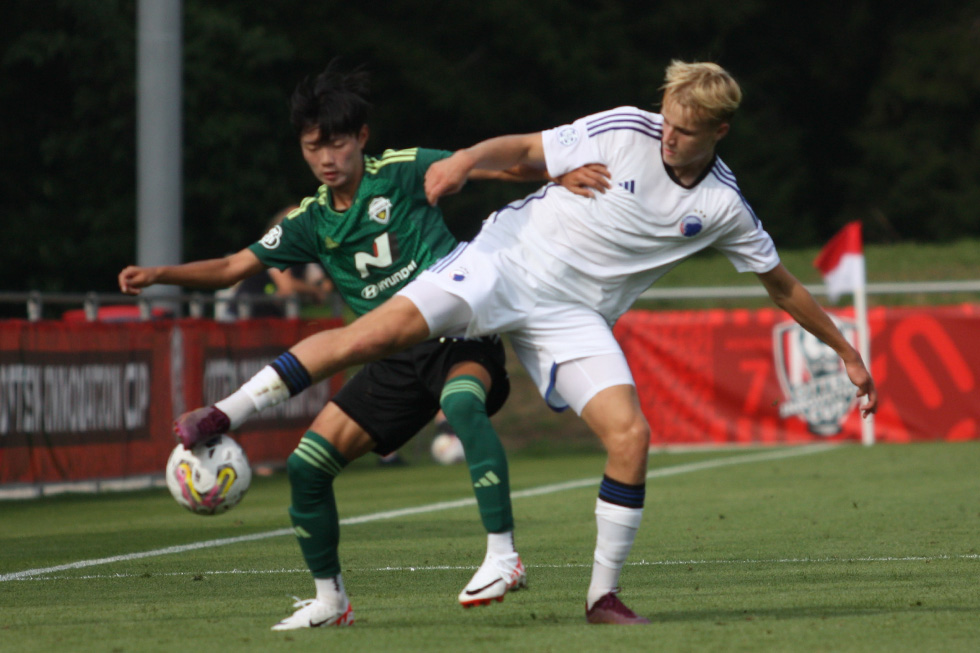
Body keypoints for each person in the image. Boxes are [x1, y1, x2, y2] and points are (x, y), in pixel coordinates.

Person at [174, 60, 878, 625]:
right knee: (374, 332)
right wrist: (465, 161)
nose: (667, 135)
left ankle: (601, 598)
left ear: (719, 131)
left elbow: (781, 285)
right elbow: (525, 149)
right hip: (503, 262)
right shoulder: (624, 127)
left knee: (631, 436)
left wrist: (846, 350)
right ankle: (223, 414)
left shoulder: (723, 205)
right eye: (666, 120)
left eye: (685, 130)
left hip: (571, 315)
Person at [118, 59, 607, 629]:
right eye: (312, 148)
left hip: (456, 333)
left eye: (337, 144)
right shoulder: (308, 221)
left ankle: (504, 556)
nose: (327, 160)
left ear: (361, 139)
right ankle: (331, 601)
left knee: (462, 404)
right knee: (306, 467)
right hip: (391, 359)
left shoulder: (399, 173)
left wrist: (556, 177)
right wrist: (160, 276)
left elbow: (486, 169)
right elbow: (232, 267)